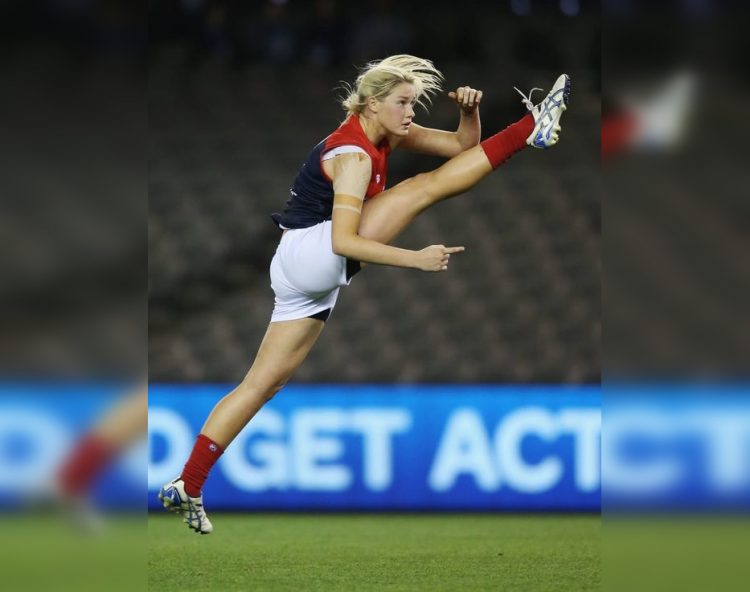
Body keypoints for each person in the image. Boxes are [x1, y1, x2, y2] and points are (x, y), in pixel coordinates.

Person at [159, 55, 570, 534]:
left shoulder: (383, 130)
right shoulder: (352, 155)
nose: (411, 112)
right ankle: (529, 129)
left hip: (297, 266)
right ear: (372, 104)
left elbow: (462, 147)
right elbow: (344, 243)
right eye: (403, 103)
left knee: (261, 386)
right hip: (314, 251)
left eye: (413, 103)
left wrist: (469, 114)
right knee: (419, 188)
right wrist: (414, 258)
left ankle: (187, 484)